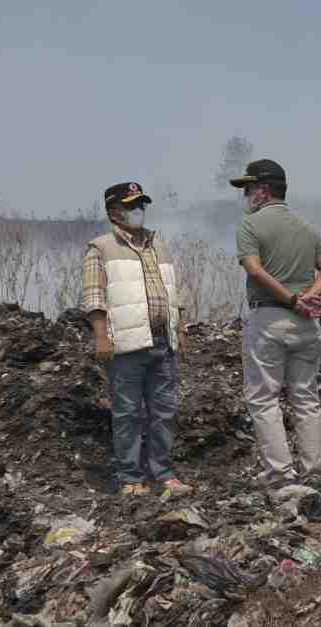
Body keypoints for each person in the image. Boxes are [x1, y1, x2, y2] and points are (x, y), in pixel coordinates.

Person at [230, 158, 321, 487]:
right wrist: (310, 297)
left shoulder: (250, 225)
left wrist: (293, 299)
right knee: (305, 397)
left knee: (264, 398)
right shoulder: (305, 226)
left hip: (269, 319)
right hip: (306, 325)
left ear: (263, 191)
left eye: (249, 189)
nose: (246, 196)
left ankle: (279, 474)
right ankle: (312, 471)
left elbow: (254, 269)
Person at [80, 181, 193, 498]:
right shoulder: (100, 248)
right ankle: (130, 478)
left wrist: (179, 326)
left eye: (141, 204)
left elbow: (172, 290)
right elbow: (93, 297)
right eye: (131, 205)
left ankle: (164, 472)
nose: (138, 211)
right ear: (113, 211)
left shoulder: (158, 243)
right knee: (128, 412)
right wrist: (102, 336)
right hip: (127, 345)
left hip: (162, 340)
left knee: (165, 410)